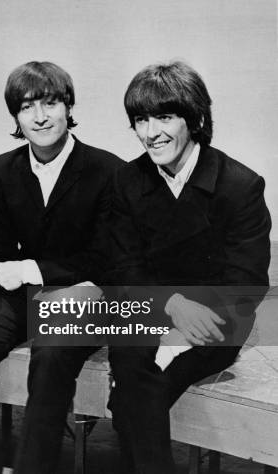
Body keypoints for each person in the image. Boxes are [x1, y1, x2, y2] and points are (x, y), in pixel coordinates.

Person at [0, 61, 122, 474]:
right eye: (27, 107)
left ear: (68, 107)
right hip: (21, 293)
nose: (40, 117)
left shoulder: (108, 170)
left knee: (50, 352)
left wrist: (31, 270)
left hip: (86, 292)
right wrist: (18, 273)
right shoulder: (4, 168)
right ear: (15, 116)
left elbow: (104, 258)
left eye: (50, 103)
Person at [108, 60, 271, 473]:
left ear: (195, 118)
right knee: (131, 367)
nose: (151, 132)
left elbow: (247, 285)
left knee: (136, 392)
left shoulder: (240, 185)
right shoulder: (127, 181)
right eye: (141, 119)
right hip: (151, 309)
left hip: (219, 318)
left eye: (165, 117)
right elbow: (122, 267)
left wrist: (182, 324)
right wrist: (172, 304)